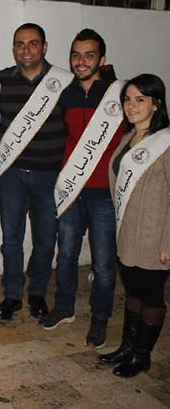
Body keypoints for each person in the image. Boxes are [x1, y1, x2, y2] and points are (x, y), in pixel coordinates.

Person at [40, 29, 123, 350]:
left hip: (105, 194)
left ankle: (100, 317)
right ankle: (64, 308)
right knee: (66, 254)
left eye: (89, 54)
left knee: (103, 262)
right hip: (71, 190)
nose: (81, 61)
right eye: (76, 54)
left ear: (102, 59)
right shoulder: (66, 93)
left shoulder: (119, 94)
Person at [0, 23, 72, 323]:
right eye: (20, 44)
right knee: (11, 240)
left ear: (44, 47)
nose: (26, 49)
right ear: (14, 48)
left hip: (49, 175)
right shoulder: (1, 80)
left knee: (45, 239)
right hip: (12, 174)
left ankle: (37, 293)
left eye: (33, 43)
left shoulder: (63, 82)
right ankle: (12, 296)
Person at [98, 74, 170, 377]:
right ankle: (127, 347)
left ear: (156, 103)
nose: (131, 105)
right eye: (127, 99)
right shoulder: (128, 138)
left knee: (151, 294)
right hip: (127, 230)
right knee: (133, 290)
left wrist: (167, 242)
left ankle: (142, 356)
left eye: (140, 99)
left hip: (155, 235)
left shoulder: (165, 143)